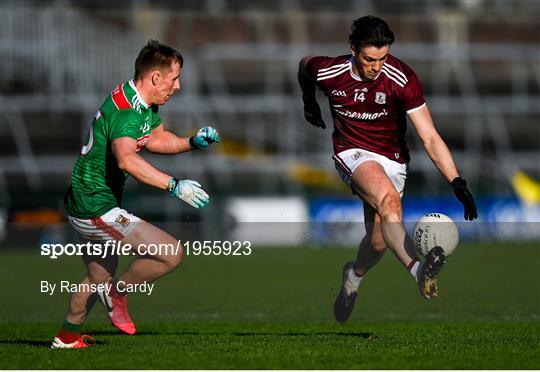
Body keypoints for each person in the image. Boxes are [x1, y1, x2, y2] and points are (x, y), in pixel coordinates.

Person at [297, 16, 477, 323]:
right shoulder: (330, 71)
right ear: (352, 49)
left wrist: (456, 181)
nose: (376, 66)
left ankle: (353, 277)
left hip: (393, 159)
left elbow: (429, 136)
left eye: (382, 58)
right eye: (369, 59)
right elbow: (305, 66)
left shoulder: (401, 78)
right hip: (351, 153)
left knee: (378, 242)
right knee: (390, 201)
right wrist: (309, 101)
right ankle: (419, 271)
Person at [51, 40, 220, 348]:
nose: (178, 86)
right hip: (95, 206)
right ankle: (119, 294)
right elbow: (126, 158)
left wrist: (191, 142)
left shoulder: (137, 101)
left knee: (97, 278)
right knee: (171, 253)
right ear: (155, 77)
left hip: (87, 201)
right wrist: (174, 185)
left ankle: (66, 338)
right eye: (174, 79)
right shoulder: (127, 112)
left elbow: (155, 138)